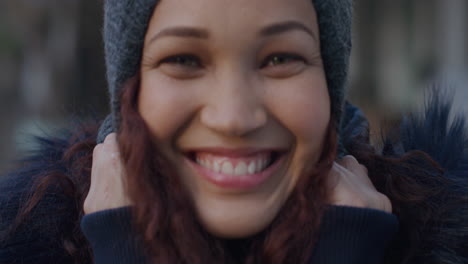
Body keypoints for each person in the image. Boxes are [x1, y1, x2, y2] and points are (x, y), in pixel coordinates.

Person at [1, 0, 467, 263]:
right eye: (183, 60)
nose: (234, 117)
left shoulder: (438, 238)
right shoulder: (29, 244)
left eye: (280, 58)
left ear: (329, 82)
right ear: (131, 92)